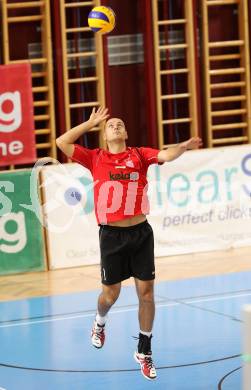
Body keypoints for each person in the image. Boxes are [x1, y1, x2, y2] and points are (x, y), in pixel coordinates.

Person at [56, 107, 202, 380]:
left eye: (120, 123)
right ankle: (99, 322)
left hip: (140, 234)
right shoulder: (95, 158)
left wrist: (182, 147)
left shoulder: (139, 155)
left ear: (125, 133)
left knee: (146, 294)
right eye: (111, 124)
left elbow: (166, 155)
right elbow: (61, 143)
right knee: (110, 296)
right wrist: (89, 123)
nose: (116, 125)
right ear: (105, 135)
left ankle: (144, 351)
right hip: (111, 237)